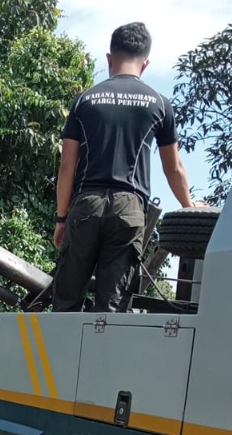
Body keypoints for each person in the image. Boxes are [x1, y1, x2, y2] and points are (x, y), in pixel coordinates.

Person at [51, 21, 202, 313]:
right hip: (129, 210)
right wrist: (189, 204)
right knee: (112, 308)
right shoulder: (159, 103)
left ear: (109, 58)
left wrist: (61, 219)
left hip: (86, 206)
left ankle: (60, 358)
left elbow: (67, 166)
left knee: (66, 302)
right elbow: (174, 168)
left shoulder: (85, 100)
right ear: (145, 63)